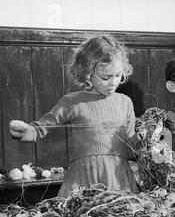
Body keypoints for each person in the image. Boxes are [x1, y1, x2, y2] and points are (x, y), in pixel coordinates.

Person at [8, 34, 140, 196]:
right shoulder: (72, 102)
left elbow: (130, 150)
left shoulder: (125, 102)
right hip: (84, 178)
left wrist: (144, 138)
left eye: (118, 75)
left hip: (119, 178)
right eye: (106, 77)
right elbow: (40, 128)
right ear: (87, 73)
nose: (113, 82)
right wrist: (25, 130)